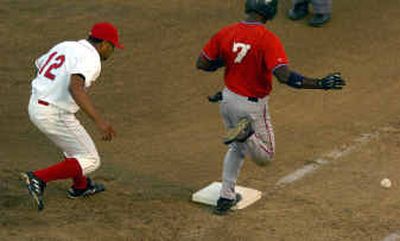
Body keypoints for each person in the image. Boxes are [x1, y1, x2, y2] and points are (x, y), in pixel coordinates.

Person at [196, 0, 345, 215]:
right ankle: (246, 134)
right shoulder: (267, 39)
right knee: (265, 156)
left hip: (227, 99)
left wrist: (226, 60)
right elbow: (284, 76)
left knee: (236, 148)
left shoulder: (226, 32)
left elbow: (202, 63)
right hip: (251, 107)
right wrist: (320, 83)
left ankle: (226, 197)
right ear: (270, 11)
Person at [21, 22, 123, 211]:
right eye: (113, 47)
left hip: (35, 104)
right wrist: (99, 121)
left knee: (74, 146)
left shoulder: (66, 45)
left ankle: (80, 186)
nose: (112, 52)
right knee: (91, 159)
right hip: (53, 113)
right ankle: (39, 177)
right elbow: (75, 87)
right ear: (104, 44)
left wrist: (47, 89)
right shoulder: (91, 59)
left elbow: (39, 65)